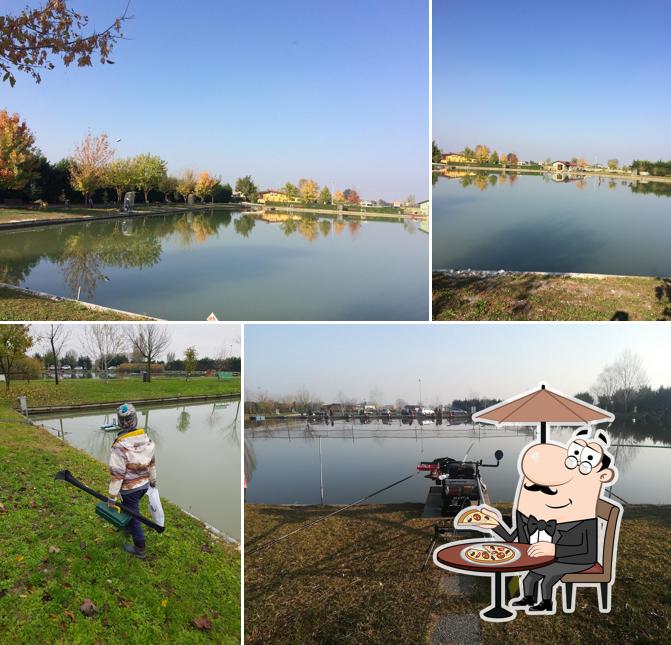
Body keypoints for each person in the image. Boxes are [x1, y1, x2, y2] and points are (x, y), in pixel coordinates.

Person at [469, 427, 618, 614]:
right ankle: (527, 598)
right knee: (529, 578)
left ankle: (546, 603)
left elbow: (586, 550)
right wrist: (494, 524)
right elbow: (511, 537)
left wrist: (554, 549)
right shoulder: (535, 516)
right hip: (551, 555)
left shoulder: (583, 520)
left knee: (547, 575)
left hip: (579, 559)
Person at [107, 403, 157, 559]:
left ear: (120, 422)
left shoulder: (120, 446)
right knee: (130, 508)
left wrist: (111, 497)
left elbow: (117, 474)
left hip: (130, 489)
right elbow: (152, 463)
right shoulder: (146, 439)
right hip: (144, 485)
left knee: (134, 516)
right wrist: (153, 481)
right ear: (135, 420)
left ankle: (139, 547)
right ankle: (127, 528)